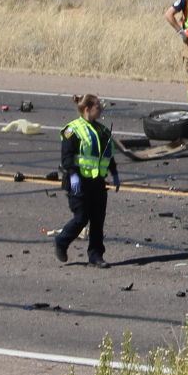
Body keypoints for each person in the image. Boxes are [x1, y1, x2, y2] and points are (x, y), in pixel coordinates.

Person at [55, 93, 119, 268]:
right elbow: (67, 158)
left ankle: (96, 256)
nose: (101, 109)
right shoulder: (72, 130)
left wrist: (115, 174)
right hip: (78, 182)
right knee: (81, 218)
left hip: (97, 182)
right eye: (98, 106)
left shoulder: (103, 130)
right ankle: (62, 241)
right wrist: (74, 176)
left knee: (98, 220)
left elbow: (107, 155)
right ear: (87, 109)